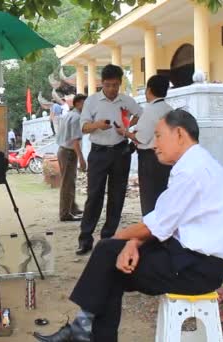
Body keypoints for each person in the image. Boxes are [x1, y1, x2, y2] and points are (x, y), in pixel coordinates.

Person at [34, 109, 223, 342]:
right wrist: (133, 242)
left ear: (179, 135)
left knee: (107, 253)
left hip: (198, 269)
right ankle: (83, 330)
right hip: (188, 257)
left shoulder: (193, 172)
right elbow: (161, 222)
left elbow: (154, 227)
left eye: (159, 136)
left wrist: (122, 240)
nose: (154, 144)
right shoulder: (198, 163)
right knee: (112, 263)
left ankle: (81, 329)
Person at [76, 64, 143, 255]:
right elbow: (83, 127)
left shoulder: (126, 100)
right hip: (98, 153)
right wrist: (97, 125)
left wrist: (129, 128)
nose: (112, 89)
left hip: (121, 153)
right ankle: (85, 239)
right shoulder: (92, 101)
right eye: (108, 85)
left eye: (115, 85)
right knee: (94, 196)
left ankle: (107, 239)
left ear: (120, 83)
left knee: (117, 196)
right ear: (101, 84)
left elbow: (141, 115)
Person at [119, 75, 173, 216]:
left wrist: (125, 132)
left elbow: (140, 138)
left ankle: (150, 229)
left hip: (150, 158)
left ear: (148, 90)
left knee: (149, 197)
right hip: (165, 157)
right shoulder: (168, 109)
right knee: (161, 193)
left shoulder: (150, 110)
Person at [57, 94, 87, 222]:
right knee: (67, 183)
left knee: (69, 181)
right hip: (69, 152)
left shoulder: (69, 115)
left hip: (63, 150)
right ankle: (65, 213)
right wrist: (81, 158)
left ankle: (72, 207)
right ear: (78, 104)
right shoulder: (76, 118)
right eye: (85, 103)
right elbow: (75, 141)